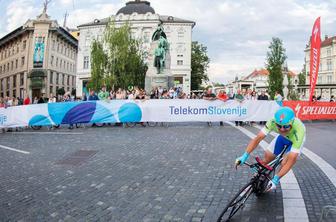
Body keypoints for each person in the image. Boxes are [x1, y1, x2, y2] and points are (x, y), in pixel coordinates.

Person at [235, 107, 306, 191]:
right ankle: (261, 176)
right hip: (282, 138)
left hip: (295, 140)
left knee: (285, 163)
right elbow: (258, 138)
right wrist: (244, 156)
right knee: (267, 157)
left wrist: (276, 179)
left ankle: (275, 177)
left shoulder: (300, 129)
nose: (282, 129)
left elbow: (292, 160)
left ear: (292, 123)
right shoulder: (272, 121)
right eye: (279, 126)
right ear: (275, 122)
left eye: (286, 126)